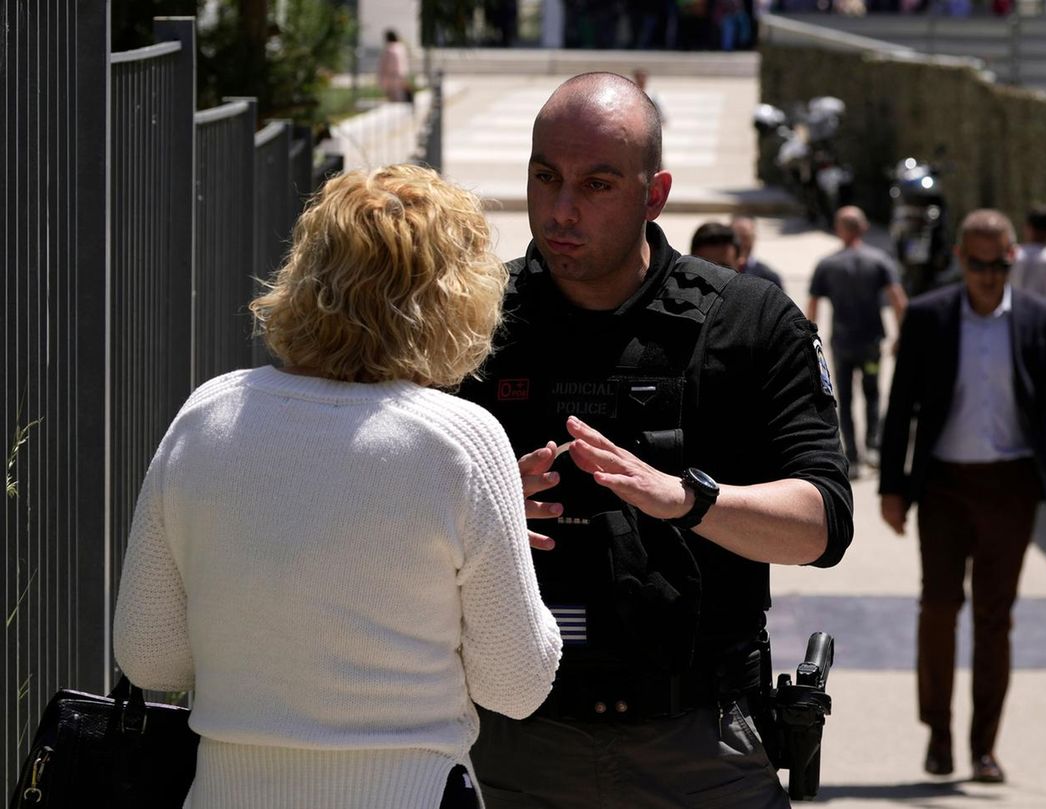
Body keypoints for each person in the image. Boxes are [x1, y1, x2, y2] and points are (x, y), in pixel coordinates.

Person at [456, 72, 853, 808]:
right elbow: (374, 519)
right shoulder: (470, 322)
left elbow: (822, 524)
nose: (562, 208)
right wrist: (475, 508)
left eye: (597, 184)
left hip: (700, 746)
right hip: (514, 741)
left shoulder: (749, 322)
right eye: (546, 177)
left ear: (655, 194)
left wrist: (688, 500)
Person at [113, 165, 564, 809]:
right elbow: (517, 686)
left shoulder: (208, 415)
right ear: (457, 297)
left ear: (304, 273)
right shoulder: (460, 440)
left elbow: (149, 656)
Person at [878, 209, 1046, 785]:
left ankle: (984, 747)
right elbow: (901, 405)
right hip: (944, 486)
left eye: (997, 265)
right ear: (960, 259)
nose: (987, 276)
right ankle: (938, 731)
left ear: (1012, 259)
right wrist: (892, 487)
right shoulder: (929, 316)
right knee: (938, 608)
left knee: (994, 618)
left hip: (1011, 487)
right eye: (976, 265)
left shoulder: (1041, 319)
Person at [805, 205, 908, 473]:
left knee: (845, 397)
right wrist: (903, 335)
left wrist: (808, 342)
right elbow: (898, 300)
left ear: (839, 229)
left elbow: (812, 305)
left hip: (843, 345)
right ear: (864, 228)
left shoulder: (827, 264)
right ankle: (873, 446)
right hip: (871, 343)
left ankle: (852, 455)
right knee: (872, 392)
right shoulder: (879, 260)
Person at [731, 214, 785, 287]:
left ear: (754, 238)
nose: (740, 243)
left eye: (745, 237)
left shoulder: (768, 277)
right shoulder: (718, 272)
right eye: (736, 238)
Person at [377, 29, 411, 103]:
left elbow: (386, 65)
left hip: (392, 75)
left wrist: (383, 76)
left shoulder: (390, 49)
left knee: (394, 97)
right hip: (401, 74)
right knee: (400, 95)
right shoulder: (401, 47)